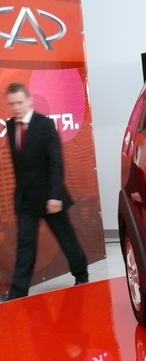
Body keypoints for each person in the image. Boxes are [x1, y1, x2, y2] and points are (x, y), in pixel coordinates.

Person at [4, 82, 88, 300]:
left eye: (19, 102)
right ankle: (17, 293)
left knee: (66, 238)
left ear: (29, 100)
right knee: (25, 244)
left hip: (50, 196)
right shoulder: (11, 126)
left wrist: (54, 195)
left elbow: (55, 162)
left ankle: (81, 276)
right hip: (25, 199)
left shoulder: (45, 125)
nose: (16, 107)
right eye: (12, 104)